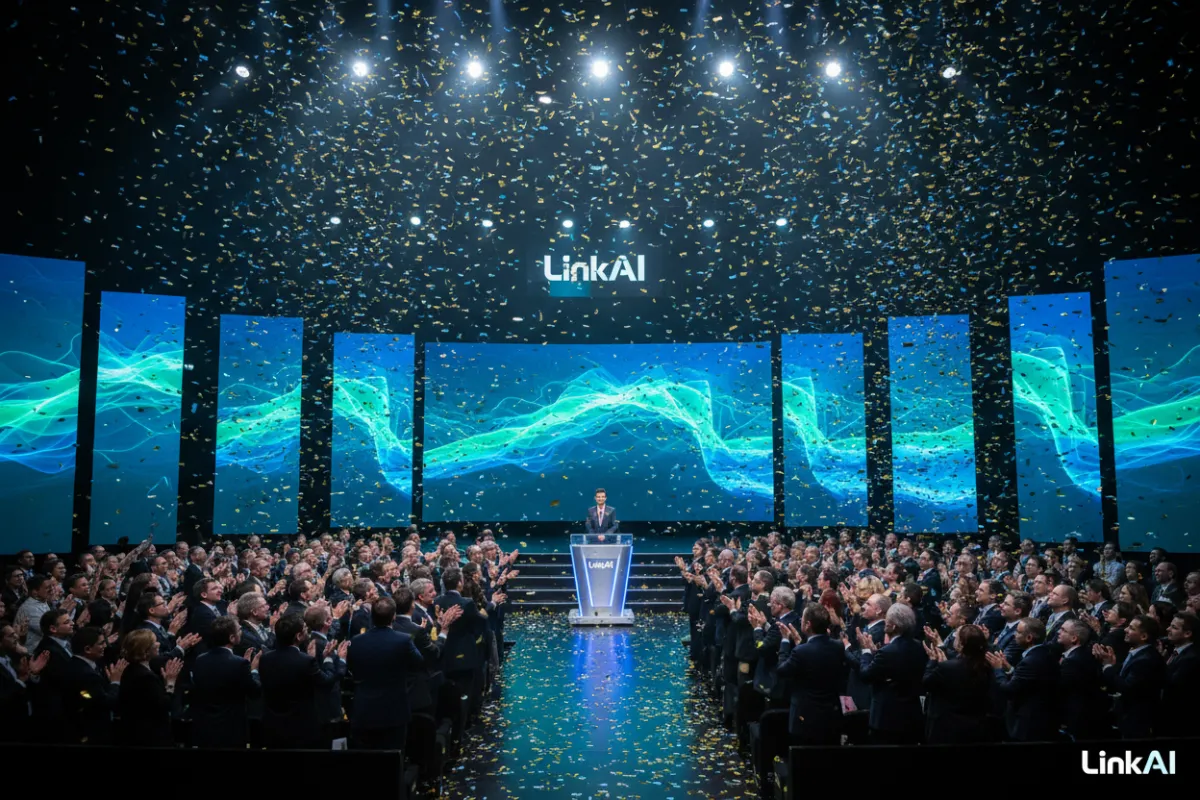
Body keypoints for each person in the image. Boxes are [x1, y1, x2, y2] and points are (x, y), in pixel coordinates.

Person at [258, 613, 347, 749]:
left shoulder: (265, 659)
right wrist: (333, 659)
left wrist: (308, 657)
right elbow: (327, 681)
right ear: (298, 636)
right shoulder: (306, 661)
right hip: (301, 727)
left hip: (274, 726)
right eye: (305, 629)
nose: (308, 632)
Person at [346, 596, 424, 749]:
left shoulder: (356, 641)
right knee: (393, 757)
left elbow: (352, 667)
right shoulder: (403, 640)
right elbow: (419, 662)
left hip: (365, 708)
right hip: (394, 709)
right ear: (393, 616)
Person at [846, 603, 928, 744]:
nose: (885, 623)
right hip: (912, 716)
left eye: (888, 620)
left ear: (894, 626)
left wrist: (866, 652)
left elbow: (866, 675)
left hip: (886, 719)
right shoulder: (919, 647)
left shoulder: (887, 652)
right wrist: (876, 654)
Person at [775, 604, 845, 746]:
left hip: (805, 718)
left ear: (807, 625)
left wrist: (784, 642)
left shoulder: (801, 651)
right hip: (830, 716)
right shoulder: (838, 646)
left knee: (804, 761)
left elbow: (782, 670)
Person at [189, 615, 261, 748]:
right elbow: (254, 691)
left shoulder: (200, 660)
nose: (242, 632)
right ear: (232, 638)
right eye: (239, 630)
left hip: (205, 728)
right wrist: (253, 670)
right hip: (231, 729)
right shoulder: (239, 663)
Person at [986, 618, 1059, 741]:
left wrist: (998, 669)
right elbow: (1026, 680)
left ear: (1029, 638)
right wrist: (1008, 668)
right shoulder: (1043, 653)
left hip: (1028, 723)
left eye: (1018, 632)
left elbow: (1009, 689)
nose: (1015, 635)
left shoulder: (1030, 661)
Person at [1094, 614, 1166, 739]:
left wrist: (1108, 667)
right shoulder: (1138, 653)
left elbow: (1127, 686)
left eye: (1132, 628)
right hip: (1128, 718)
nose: (1126, 630)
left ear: (1143, 636)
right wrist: (1113, 665)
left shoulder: (1146, 659)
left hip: (1139, 722)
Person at [921, 624, 993, 744]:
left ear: (961, 644)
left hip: (947, 729)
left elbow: (927, 682)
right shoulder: (986, 666)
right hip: (975, 728)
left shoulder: (947, 667)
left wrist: (932, 661)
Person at [117, 629, 182, 746]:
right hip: (150, 738)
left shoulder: (131, 670)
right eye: (155, 642)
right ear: (145, 651)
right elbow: (163, 705)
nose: (159, 644)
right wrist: (170, 683)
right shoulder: (145, 677)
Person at [1159, 611, 1199, 737]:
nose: (1168, 629)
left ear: (1187, 633)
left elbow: (1172, 685)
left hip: (1179, 723)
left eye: (1174, 627)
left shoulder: (1191, 658)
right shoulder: (1174, 651)